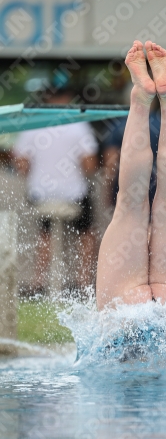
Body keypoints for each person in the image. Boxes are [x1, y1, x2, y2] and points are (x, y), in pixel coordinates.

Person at [96, 40, 166, 311]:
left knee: (138, 204)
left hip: (126, 315)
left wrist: (106, 187)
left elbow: (113, 161)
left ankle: (155, 97)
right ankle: (159, 98)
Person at [12, 89, 98, 293]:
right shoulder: (79, 125)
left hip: (41, 195)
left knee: (46, 234)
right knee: (87, 234)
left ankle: (38, 283)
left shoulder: (32, 126)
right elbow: (90, 166)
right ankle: (83, 283)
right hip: (73, 196)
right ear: (66, 100)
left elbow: (21, 166)